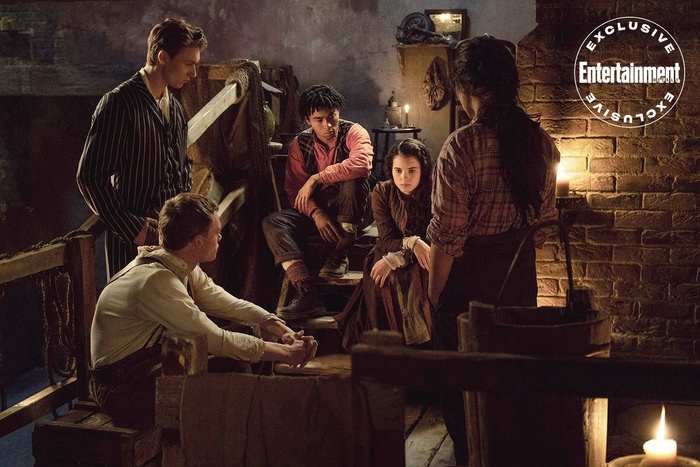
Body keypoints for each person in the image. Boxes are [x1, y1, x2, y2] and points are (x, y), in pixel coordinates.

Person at [426, 36, 560, 464]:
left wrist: (434, 297)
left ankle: (473, 456)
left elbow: (447, 237)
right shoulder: (542, 143)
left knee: (464, 390)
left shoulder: (461, 146)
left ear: (465, 87)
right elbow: (543, 230)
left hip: (469, 290)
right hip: (518, 285)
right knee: (511, 384)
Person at [89, 193, 318, 426]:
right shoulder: (156, 281)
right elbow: (216, 340)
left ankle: (244, 430)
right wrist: (286, 353)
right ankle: (229, 440)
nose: (220, 236)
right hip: (121, 388)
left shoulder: (179, 265)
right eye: (216, 232)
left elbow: (232, 305)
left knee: (251, 334)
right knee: (233, 368)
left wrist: (284, 332)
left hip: (149, 364)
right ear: (198, 241)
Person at [77, 18, 207, 280]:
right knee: (133, 306)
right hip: (131, 246)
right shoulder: (119, 103)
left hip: (174, 243)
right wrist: (131, 227)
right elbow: (90, 176)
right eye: (188, 63)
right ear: (163, 57)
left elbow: (180, 171)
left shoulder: (176, 109)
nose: (193, 73)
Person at [262, 84, 375, 320]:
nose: (328, 125)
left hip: (354, 209)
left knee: (353, 180)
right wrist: (315, 213)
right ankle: (307, 292)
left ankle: (341, 251)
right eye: (319, 120)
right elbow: (296, 192)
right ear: (308, 120)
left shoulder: (354, 132)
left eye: (332, 116)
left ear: (338, 111)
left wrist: (317, 178)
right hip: (321, 210)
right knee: (273, 223)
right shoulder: (300, 144)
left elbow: (362, 164)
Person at [335, 138, 432, 348]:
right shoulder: (382, 191)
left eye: (412, 170)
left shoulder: (434, 192)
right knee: (385, 279)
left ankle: (421, 345)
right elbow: (387, 240)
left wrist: (402, 256)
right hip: (387, 250)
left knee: (421, 278)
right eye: (398, 170)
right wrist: (410, 243)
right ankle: (391, 347)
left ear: (422, 170)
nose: (404, 177)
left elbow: (431, 241)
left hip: (425, 255)